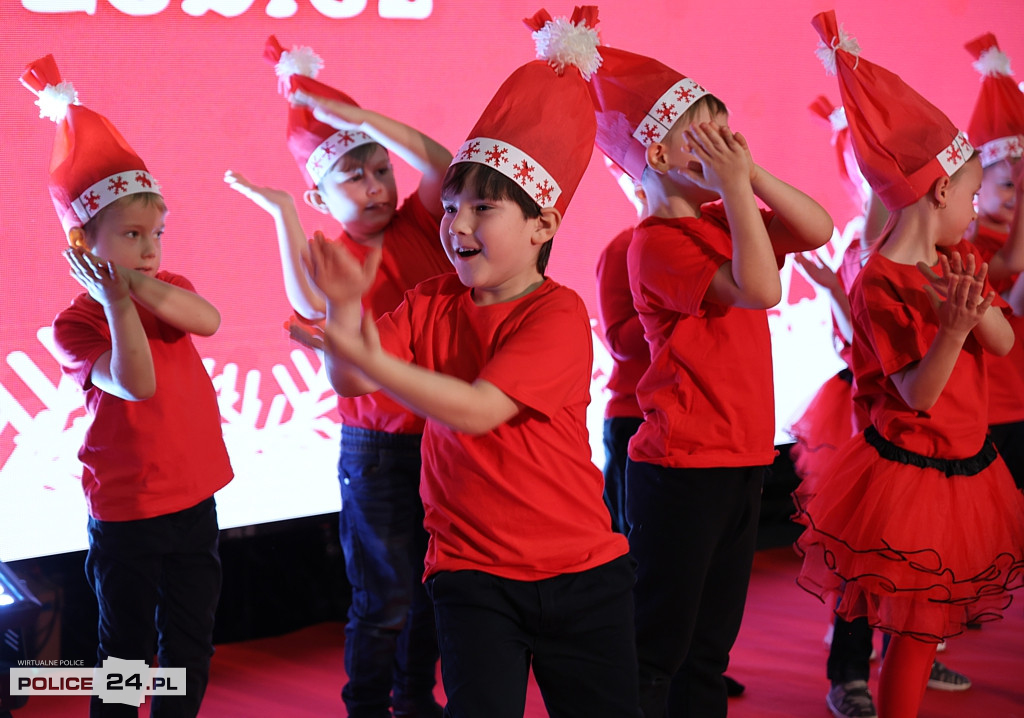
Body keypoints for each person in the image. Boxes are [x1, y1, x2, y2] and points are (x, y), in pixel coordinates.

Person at [301, 8, 639, 717]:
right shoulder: (430, 300)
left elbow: (479, 409)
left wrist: (354, 340)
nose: (455, 225)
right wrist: (341, 318)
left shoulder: (556, 312)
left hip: (582, 572)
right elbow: (352, 381)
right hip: (471, 574)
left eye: (481, 209)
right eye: (451, 205)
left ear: (542, 224)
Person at [589, 42, 834, 718]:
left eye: (730, 137)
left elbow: (816, 227)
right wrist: (735, 188)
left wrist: (746, 177)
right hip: (684, 466)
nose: (729, 150)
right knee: (657, 646)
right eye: (710, 138)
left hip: (741, 458)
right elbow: (761, 288)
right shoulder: (658, 241)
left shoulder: (723, 221)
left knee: (708, 650)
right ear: (661, 158)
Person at [795, 12, 1024, 718]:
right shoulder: (881, 280)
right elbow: (918, 392)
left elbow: (1006, 343)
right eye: (971, 192)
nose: (976, 206)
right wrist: (952, 330)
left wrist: (973, 314)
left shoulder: (957, 258)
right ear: (940, 193)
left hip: (967, 464)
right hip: (914, 474)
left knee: (923, 638)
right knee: (913, 635)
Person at [224, 37, 453, 718]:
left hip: (447, 437)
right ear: (317, 192)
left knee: (437, 584)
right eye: (355, 177)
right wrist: (283, 217)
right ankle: (367, 705)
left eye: (380, 169)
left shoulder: (425, 222)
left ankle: (417, 700)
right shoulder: (330, 253)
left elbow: (440, 163)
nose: (377, 186)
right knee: (384, 595)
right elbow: (306, 304)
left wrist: (365, 120)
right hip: (381, 449)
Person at [23, 55, 233, 717]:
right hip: (128, 515)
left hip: (193, 501)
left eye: (157, 235)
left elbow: (212, 320)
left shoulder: (170, 291)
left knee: (192, 642)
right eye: (133, 236)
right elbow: (135, 383)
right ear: (83, 242)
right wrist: (117, 299)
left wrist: (137, 282)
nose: (150, 250)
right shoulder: (77, 323)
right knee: (126, 652)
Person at [791, 98, 970, 718]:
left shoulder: (938, 256)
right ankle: (849, 676)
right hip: (869, 418)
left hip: (928, 434)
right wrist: (838, 294)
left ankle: (908, 654)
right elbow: (862, 342)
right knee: (868, 563)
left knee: (913, 564)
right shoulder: (869, 259)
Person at [963, 32, 1024, 492]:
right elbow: (1012, 273)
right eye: (1009, 186)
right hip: (995, 410)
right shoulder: (972, 247)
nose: (1016, 197)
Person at [595, 158, 648, 536]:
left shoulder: (714, 240)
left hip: (698, 423)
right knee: (636, 549)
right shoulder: (624, 249)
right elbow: (618, 341)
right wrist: (671, 301)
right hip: (635, 416)